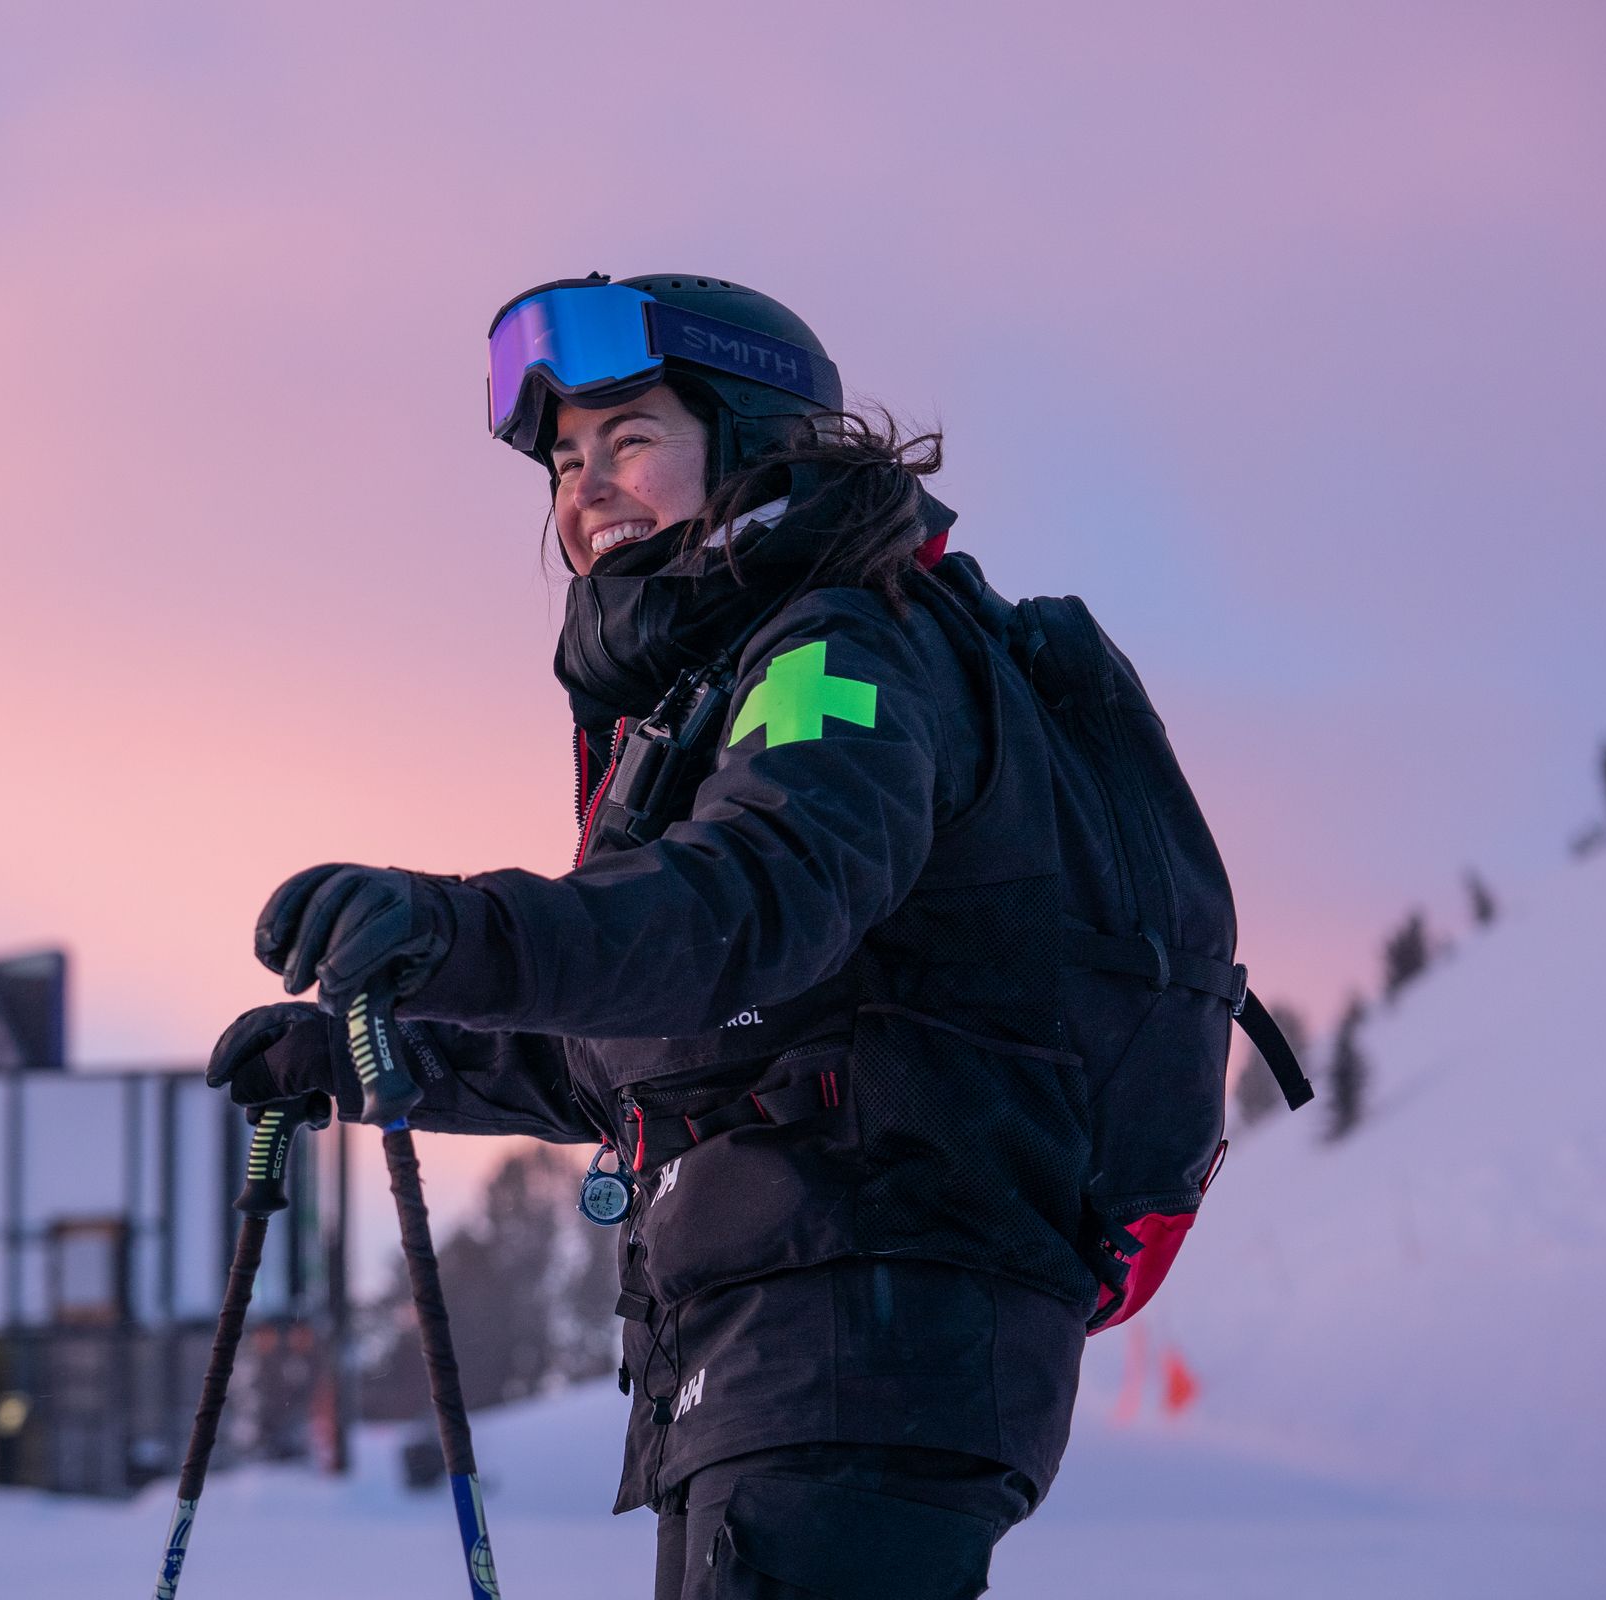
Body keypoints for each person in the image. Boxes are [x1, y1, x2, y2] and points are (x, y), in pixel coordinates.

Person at [210, 273, 1101, 1598]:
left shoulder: (836, 656)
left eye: (629, 440)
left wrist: (454, 927)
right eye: (566, 462)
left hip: (861, 1334)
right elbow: (631, 1043)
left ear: (755, 442)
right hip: (775, 1353)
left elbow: (754, 902)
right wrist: (370, 1047)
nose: (584, 490)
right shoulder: (714, 696)